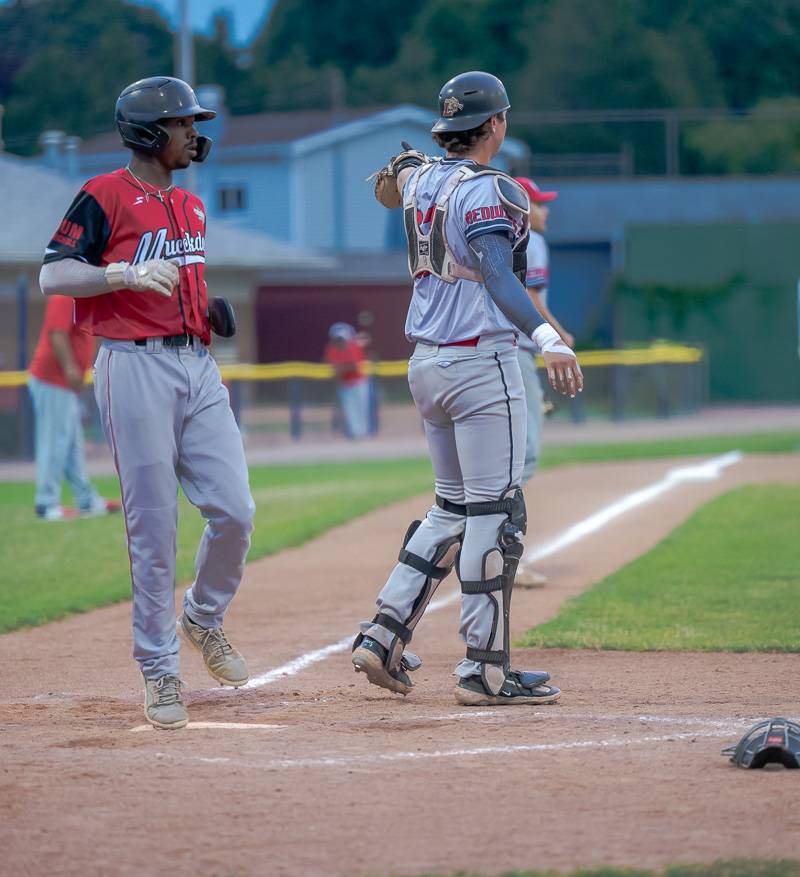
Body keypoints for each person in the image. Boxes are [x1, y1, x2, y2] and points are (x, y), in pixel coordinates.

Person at [352, 71, 582, 706]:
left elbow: (388, 181)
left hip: (426, 362)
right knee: (496, 515)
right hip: (481, 364)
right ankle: (485, 669)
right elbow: (496, 275)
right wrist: (547, 336)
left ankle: (382, 633)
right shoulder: (494, 190)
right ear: (497, 124)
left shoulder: (421, 175)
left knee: (449, 510)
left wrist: (402, 165)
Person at [39, 76, 255, 730]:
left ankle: (203, 616)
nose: (192, 132)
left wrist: (204, 309)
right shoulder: (104, 194)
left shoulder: (191, 207)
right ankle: (160, 671)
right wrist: (120, 273)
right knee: (154, 530)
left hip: (195, 363)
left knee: (235, 510)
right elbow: (53, 271)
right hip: (132, 367)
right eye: (181, 122)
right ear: (146, 132)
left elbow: (178, 281)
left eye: (192, 122)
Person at [513, 177, 575, 589]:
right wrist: (556, 336)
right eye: (538, 203)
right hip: (517, 352)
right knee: (523, 457)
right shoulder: (530, 240)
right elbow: (532, 298)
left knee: (511, 458)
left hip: (509, 355)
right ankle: (504, 553)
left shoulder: (506, 240)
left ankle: (494, 549)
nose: (545, 210)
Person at [28, 295, 121, 521]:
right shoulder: (64, 292)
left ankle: (86, 500)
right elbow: (56, 334)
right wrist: (70, 368)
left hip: (63, 384)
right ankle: (46, 503)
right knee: (55, 442)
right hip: (52, 379)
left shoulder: (81, 294)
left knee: (72, 445)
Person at [324, 322, 370, 439]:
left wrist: (341, 368)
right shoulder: (332, 348)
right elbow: (333, 367)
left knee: (362, 409)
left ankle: (363, 434)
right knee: (350, 411)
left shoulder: (352, 346)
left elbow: (354, 366)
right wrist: (342, 368)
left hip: (359, 382)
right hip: (344, 384)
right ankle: (356, 434)